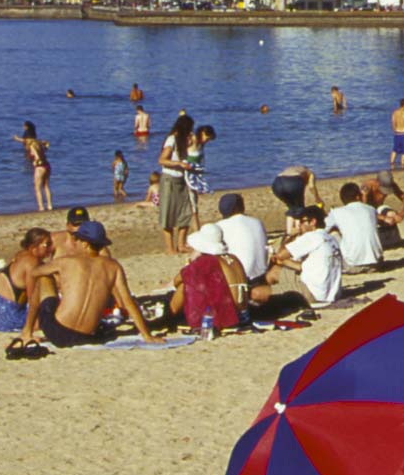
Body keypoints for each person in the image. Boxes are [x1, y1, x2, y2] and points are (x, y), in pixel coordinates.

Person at [20, 221, 160, 349]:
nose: (75, 243)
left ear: (85, 243)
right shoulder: (114, 267)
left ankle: (27, 332)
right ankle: (28, 331)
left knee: (43, 279)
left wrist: (58, 279)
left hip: (57, 332)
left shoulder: (66, 262)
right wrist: (146, 335)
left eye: (77, 240)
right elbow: (128, 302)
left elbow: (34, 272)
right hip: (85, 337)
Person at [263, 206, 346, 310]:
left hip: (313, 293)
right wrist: (284, 262)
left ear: (313, 222)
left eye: (302, 221)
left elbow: (280, 254)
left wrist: (290, 236)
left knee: (256, 293)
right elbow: (307, 266)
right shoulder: (330, 238)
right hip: (331, 293)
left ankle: (267, 304)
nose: (300, 225)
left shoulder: (312, 236)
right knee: (275, 271)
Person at [209, 193, 271, 298]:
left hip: (240, 280)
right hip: (261, 277)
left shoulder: (220, 226)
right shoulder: (257, 222)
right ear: (240, 207)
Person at [156, 114, 200, 253]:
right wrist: (178, 164)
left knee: (185, 212)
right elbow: (162, 160)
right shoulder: (172, 140)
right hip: (169, 179)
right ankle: (170, 248)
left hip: (182, 179)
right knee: (168, 213)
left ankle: (181, 244)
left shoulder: (185, 141)